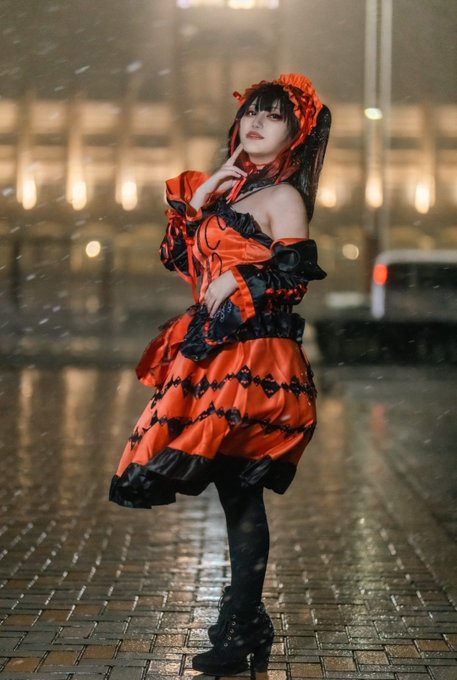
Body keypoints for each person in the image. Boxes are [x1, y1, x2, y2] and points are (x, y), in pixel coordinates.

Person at [109, 73, 331, 677]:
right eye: (251, 112)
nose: (256, 123)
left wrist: (241, 278)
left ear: (296, 133)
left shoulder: (284, 198)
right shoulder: (227, 193)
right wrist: (201, 196)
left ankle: (242, 624)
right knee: (233, 493)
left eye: (274, 116)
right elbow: (177, 258)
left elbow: (294, 277)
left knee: (238, 489)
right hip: (214, 351)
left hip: (255, 357)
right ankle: (246, 622)